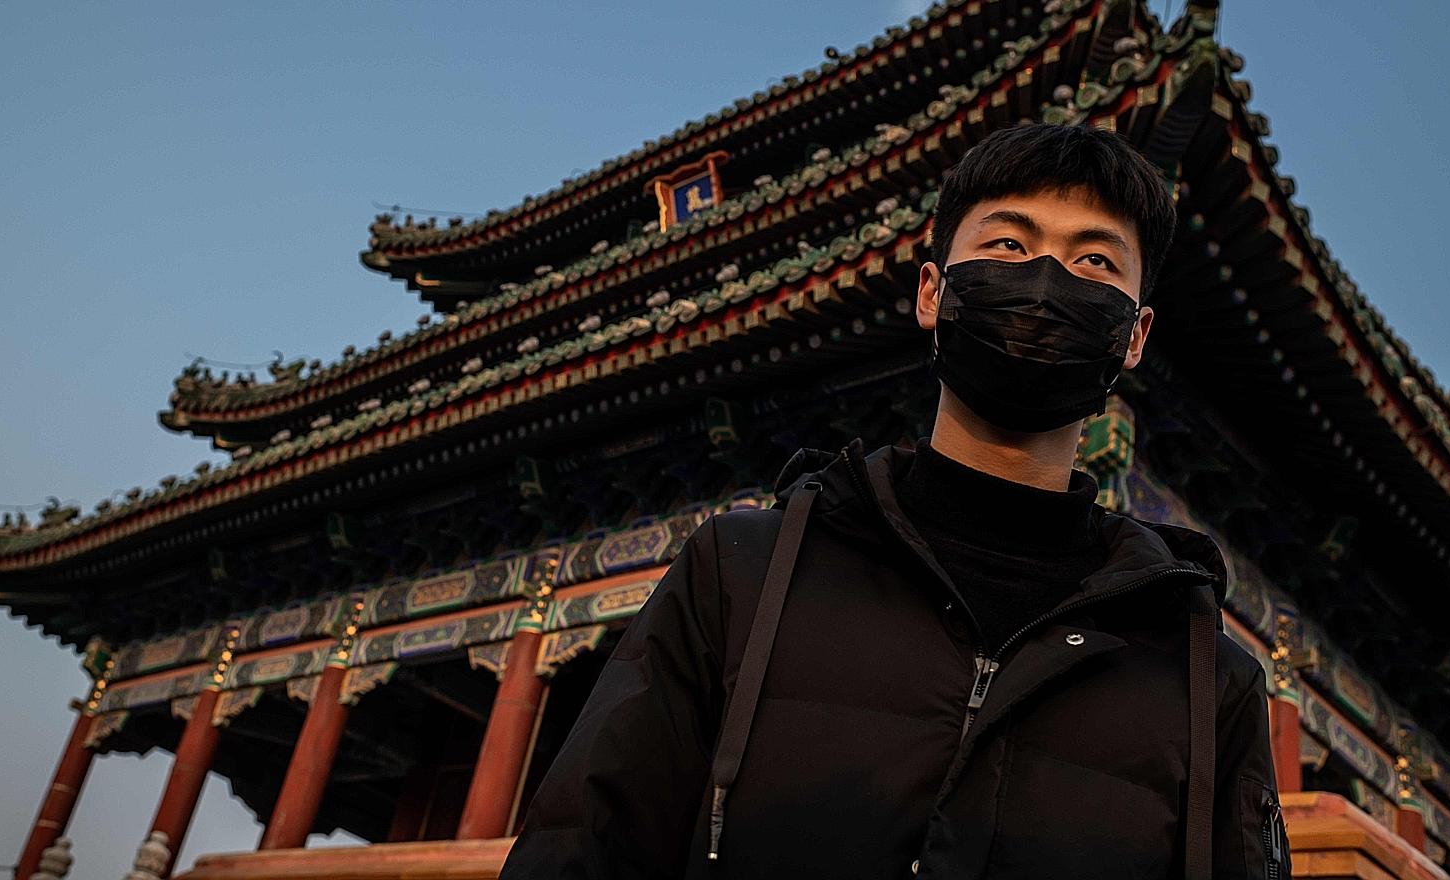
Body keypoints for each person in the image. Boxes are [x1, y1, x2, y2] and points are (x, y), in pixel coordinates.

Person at [499, 123, 1291, 878]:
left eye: (1093, 262)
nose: (1046, 282)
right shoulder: (742, 576)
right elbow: (581, 849)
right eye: (1009, 245)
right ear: (930, 292)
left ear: (1135, 336)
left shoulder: (1202, 677)